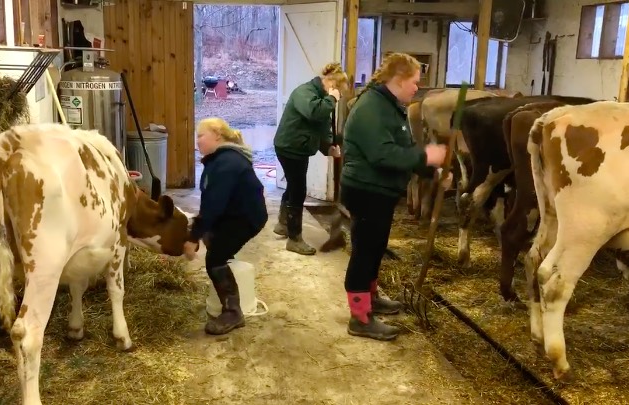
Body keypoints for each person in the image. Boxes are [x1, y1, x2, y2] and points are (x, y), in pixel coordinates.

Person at [340, 53, 451, 341]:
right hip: (366, 190)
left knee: (375, 249)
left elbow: (403, 151)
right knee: (365, 252)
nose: (417, 88)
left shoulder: (391, 107)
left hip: (380, 191)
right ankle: (360, 317)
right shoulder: (371, 109)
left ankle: (371, 298)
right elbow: (382, 155)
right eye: (414, 82)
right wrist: (426, 155)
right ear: (398, 80)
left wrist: (432, 172)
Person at [184, 117, 268, 335]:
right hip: (235, 212)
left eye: (200, 136)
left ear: (217, 135)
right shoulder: (221, 160)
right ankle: (228, 292)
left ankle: (232, 313)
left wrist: (193, 237)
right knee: (214, 242)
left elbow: (213, 205)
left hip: (246, 217)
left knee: (215, 258)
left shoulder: (226, 163)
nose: (197, 142)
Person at [272, 62, 348, 255]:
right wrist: (331, 98)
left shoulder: (322, 98)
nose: (338, 96)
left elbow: (322, 127)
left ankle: (283, 224)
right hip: (290, 147)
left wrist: (328, 147)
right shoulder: (304, 92)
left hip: (299, 147)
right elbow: (314, 113)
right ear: (330, 82)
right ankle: (294, 239)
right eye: (338, 89)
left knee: (293, 185)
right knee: (298, 190)